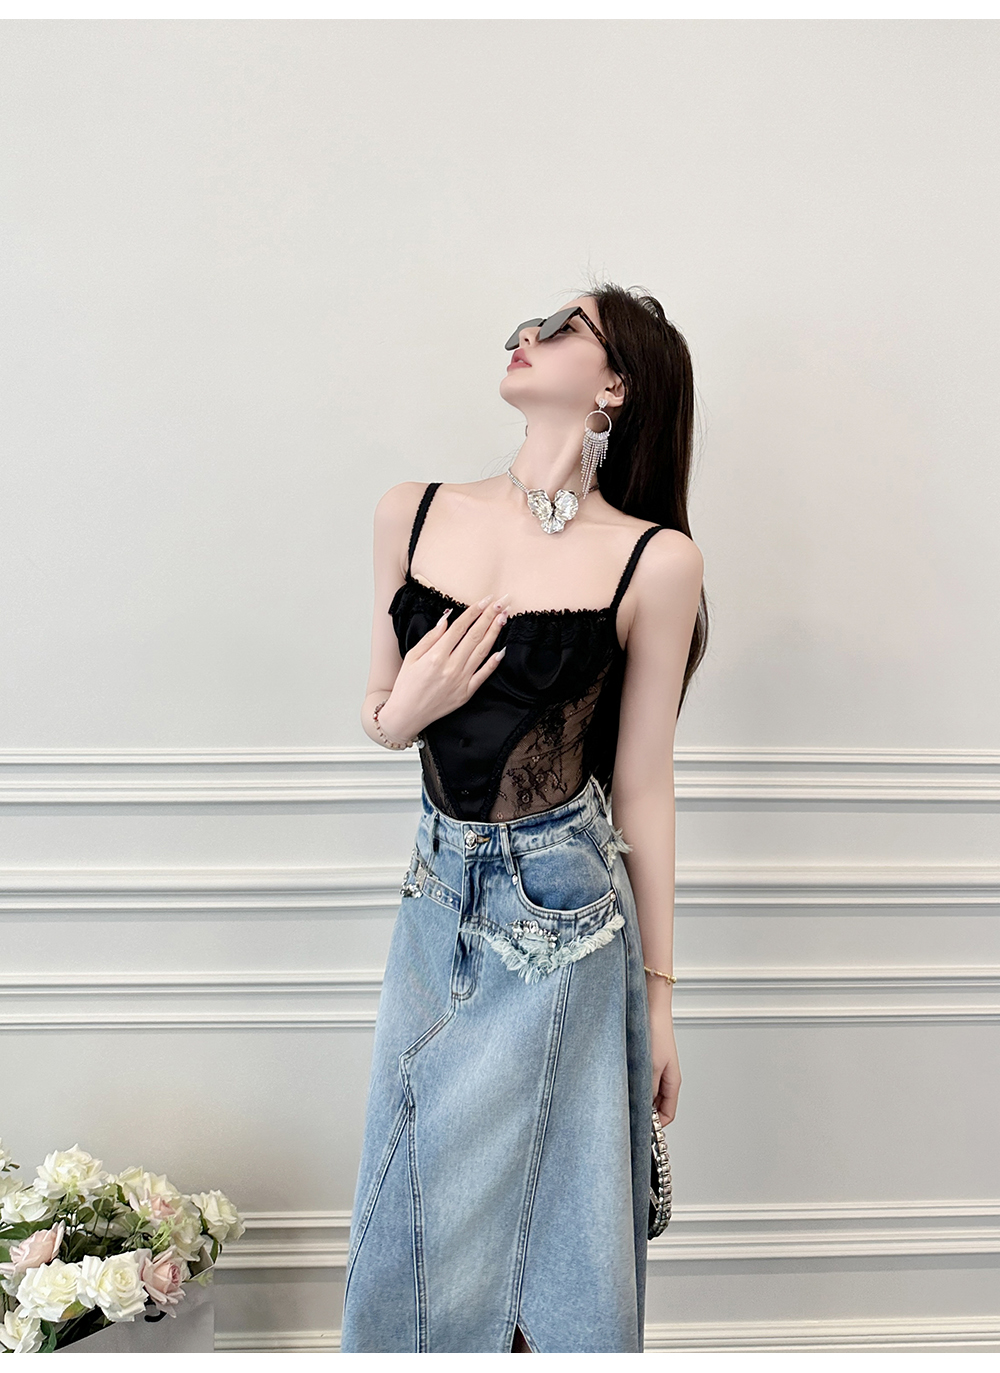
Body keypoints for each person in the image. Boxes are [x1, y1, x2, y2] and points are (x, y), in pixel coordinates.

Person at [340, 282, 708, 1354]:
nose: (526, 335)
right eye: (531, 321)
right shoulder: (409, 511)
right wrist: (407, 708)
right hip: (434, 896)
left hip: (567, 913)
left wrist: (662, 1002)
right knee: (408, 1220)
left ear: (614, 386)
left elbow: (643, 784)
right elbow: (380, 710)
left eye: (563, 328)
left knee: (560, 1235)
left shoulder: (655, 559)